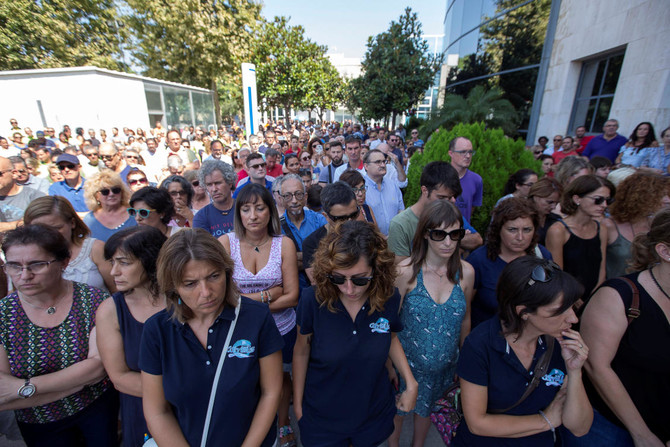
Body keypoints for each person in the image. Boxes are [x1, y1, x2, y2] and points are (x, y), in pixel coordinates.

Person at [139, 229, 284, 446]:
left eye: (214, 276)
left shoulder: (256, 318)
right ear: (173, 287)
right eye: (190, 283)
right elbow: (157, 411)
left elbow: (271, 391)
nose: (206, 292)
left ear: (227, 271)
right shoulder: (157, 330)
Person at [292, 220, 418, 446]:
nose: (349, 289)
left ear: (376, 270)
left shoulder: (388, 297)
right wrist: (299, 406)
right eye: (339, 278)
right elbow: (301, 350)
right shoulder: (312, 300)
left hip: (372, 411)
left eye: (360, 279)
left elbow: (390, 336)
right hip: (323, 416)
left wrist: (410, 381)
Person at [454, 256, 592, 446]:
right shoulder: (480, 345)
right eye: (559, 311)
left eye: (572, 307)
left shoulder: (562, 344)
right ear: (523, 312)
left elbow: (579, 427)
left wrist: (575, 372)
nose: (573, 319)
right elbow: (477, 423)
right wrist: (545, 421)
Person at [0, 225, 118, 446]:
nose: (25, 275)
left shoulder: (92, 300)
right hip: (38, 423)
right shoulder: (3, 315)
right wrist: (75, 382)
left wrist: (25, 389)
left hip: (96, 411)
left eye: (37, 264)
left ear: (64, 263)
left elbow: (97, 368)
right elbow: (2, 394)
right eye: (14, 266)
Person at [571, 209, 670, 446]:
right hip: (610, 427)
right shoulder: (619, 295)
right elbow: (597, 366)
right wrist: (642, 435)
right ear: (665, 251)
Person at [219, 184, 299, 447]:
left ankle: (283, 422)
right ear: (238, 213)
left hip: (281, 328)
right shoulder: (225, 244)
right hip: (240, 329)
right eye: (245, 209)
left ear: (270, 211)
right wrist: (268, 295)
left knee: (281, 378)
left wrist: (244, 301)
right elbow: (223, 298)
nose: (253, 215)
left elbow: (292, 296)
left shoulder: (283, 244)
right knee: (246, 379)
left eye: (259, 208)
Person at [389, 200, 474, 447]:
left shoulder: (466, 273)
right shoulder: (405, 272)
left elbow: (465, 319)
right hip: (406, 367)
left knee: (427, 411)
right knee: (398, 414)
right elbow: (390, 322)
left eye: (455, 234)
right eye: (439, 234)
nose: (448, 242)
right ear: (426, 234)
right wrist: (389, 365)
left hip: (446, 366)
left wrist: (464, 361)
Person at [96, 226, 167, 447]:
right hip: (143, 410)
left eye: (124, 263)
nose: (113, 272)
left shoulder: (185, 298)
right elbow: (120, 378)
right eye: (112, 262)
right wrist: (185, 388)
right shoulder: (110, 310)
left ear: (151, 260)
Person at [466, 197, 552, 329]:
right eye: (512, 230)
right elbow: (464, 310)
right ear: (499, 229)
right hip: (487, 340)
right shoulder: (478, 260)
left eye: (527, 230)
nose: (520, 237)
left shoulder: (542, 257)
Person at [387, 161, 482, 262]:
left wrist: (452, 238)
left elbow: (477, 240)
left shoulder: (450, 214)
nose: (448, 202)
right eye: (442, 197)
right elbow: (400, 270)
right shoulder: (401, 224)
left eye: (451, 197)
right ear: (425, 190)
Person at [23, 196, 114, 292]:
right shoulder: (23, 257)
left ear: (72, 223)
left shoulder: (95, 249)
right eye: (39, 230)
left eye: (56, 228)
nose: (48, 234)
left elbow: (118, 292)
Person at [546, 175, 614, 297]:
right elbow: (557, 273)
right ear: (577, 199)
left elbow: (601, 269)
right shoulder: (558, 231)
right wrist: (575, 300)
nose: (604, 205)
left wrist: (595, 295)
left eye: (608, 200)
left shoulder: (601, 229)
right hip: (566, 297)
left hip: (595, 297)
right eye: (598, 199)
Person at [602, 172, 670, 278]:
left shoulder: (658, 226)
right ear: (643, 197)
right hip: (615, 289)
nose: (667, 200)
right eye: (661, 195)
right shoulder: (609, 226)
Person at [83, 170, 137, 242]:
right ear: (96, 196)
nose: (111, 194)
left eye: (116, 190)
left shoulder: (134, 214)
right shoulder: (89, 220)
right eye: (105, 191)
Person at [362, 149, 404, 235]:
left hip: (395, 239)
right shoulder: (361, 189)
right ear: (366, 166)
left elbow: (401, 210)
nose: (383, 165)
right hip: (373, 242)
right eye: (378, 162)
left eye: (384, 161)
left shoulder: (393, 185)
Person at [193, 159, 237, 237]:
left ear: (230, 183)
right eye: (209, 185)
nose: (214, 189)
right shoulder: (201, 217)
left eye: (218, 183)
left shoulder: (244, 208)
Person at [449, 137, 483, 222]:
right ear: (451, 153)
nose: (468, 156)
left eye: (470, 152)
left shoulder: (476, 180)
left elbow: (471, 208)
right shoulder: (439, 177)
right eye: (463, 152)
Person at [528, 177, 563, 246]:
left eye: (556, 203)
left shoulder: (555, 220)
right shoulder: (523, 218)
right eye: (549, 202)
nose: (553, 207)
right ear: (536, 197)